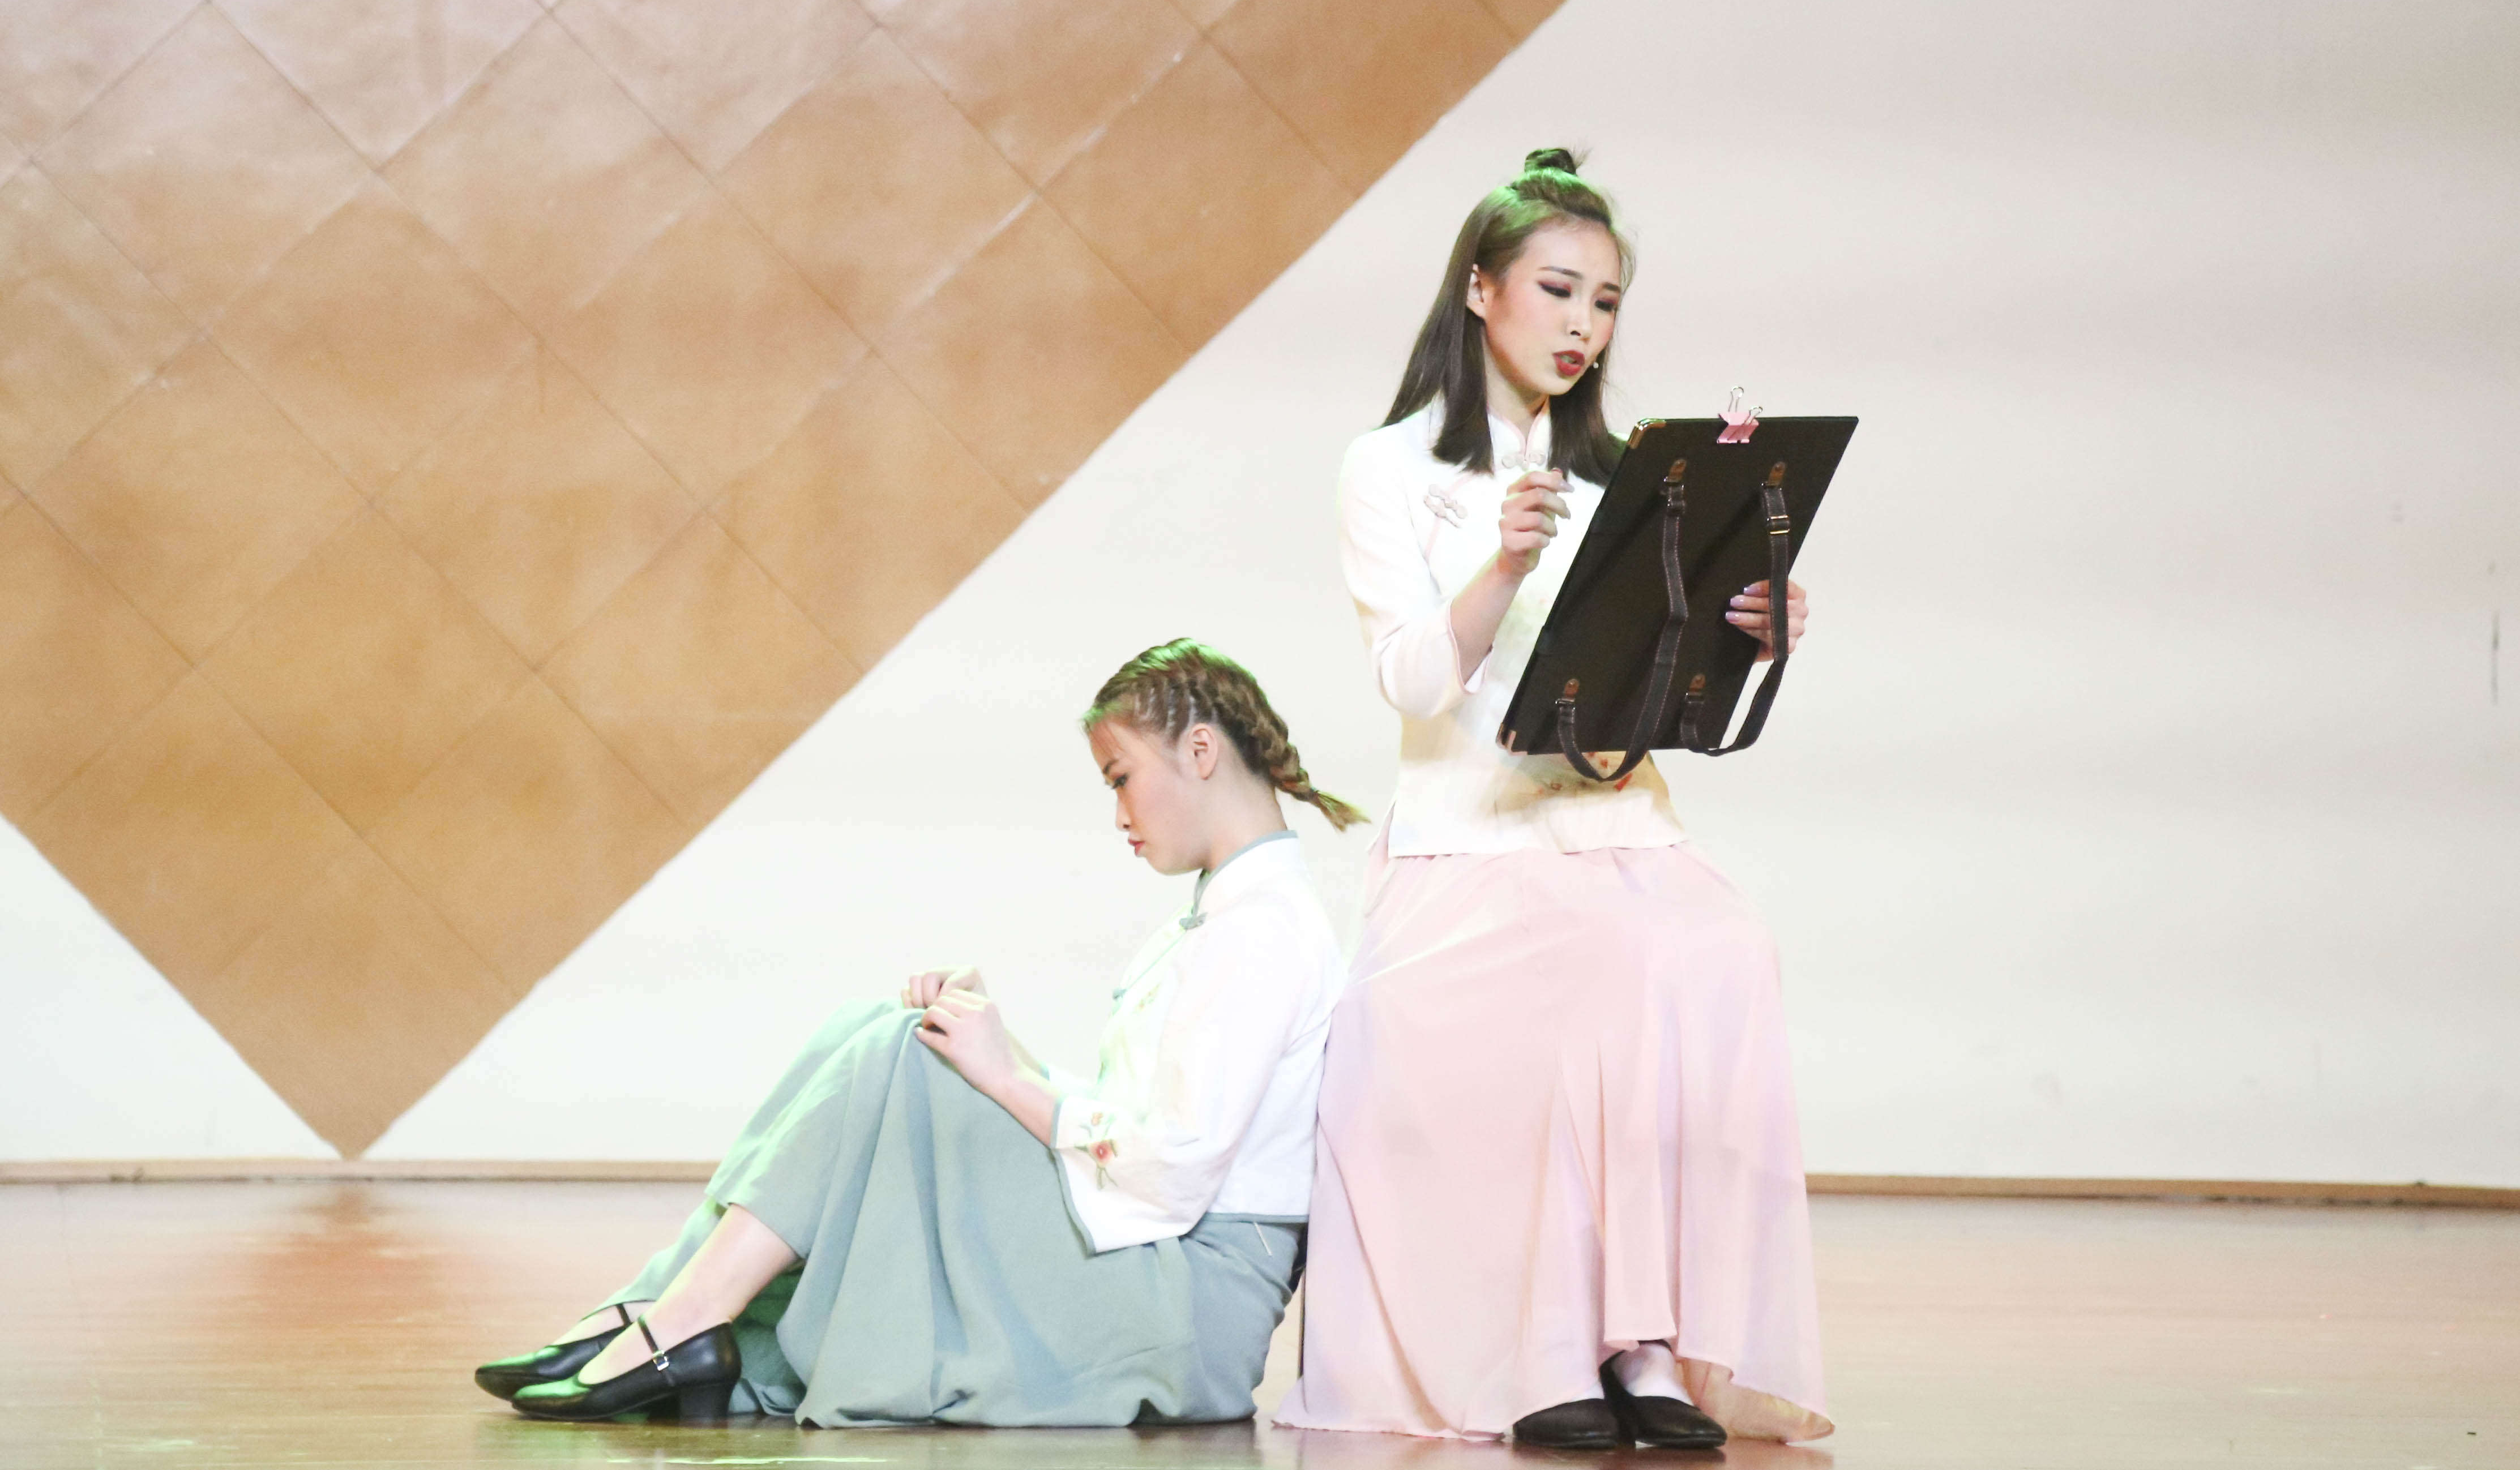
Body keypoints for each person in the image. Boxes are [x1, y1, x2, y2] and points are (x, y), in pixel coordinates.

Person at [1274, 149, 1835, 1449]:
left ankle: (1646, 1341)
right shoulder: (1389, 467)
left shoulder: (1626, 479)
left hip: (1614, 822)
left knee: (1719, 949)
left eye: (1607, 301)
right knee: (1591, 983)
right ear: (1480, 290)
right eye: (1558, 289)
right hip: (1471, 838)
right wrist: (1501, 562)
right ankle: (1548, 1351)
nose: (1584, 324)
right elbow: (1415, 682)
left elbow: (1647, 690)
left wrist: (1746, 634)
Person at [474, 641, 1360, 1427]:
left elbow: (1171, 1168)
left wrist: (1006, 1077)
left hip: (1185, 1301)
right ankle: (664, 1305)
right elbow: (1147, 1127)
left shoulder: (1266, 930)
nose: (1119, 813)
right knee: (882, 1028)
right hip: (1151, 1250)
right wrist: (997, 1051)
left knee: (903, 1053)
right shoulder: (1227, 918)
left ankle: (679, 1319)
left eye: (1120, 777)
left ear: (1201, 751)